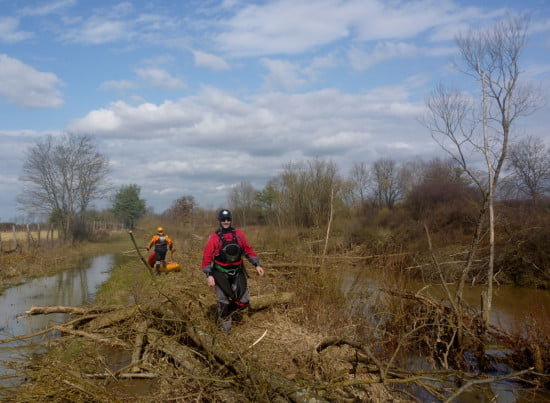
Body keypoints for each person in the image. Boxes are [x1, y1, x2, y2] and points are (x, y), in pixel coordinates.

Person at [201, 209, 265, 331]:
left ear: (231, 220)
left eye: (228, 219)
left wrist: (257, 265)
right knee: (223, 301)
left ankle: (229, 309)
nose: (226, 221)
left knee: (244, 300)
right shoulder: (214, 237)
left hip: (237, 271)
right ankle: (225, 331)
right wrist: (209, 275)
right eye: (223, 219)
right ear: (219, 221)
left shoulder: (239, 234)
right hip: (220, 273)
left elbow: (248, 250)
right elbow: (207, 257)